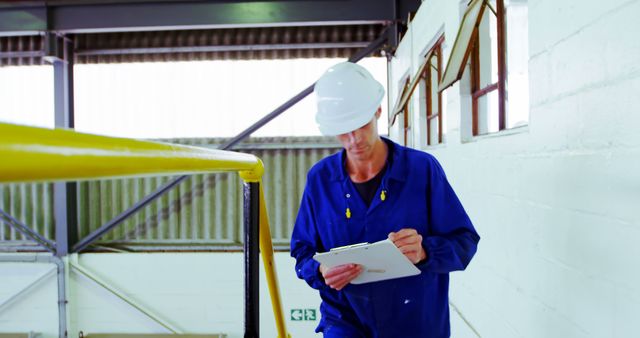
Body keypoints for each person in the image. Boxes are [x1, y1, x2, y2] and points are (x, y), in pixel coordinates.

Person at [290, 61, 480, 338]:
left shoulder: (422, 170)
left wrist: (425, 250)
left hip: (414, 323)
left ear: (378, 110)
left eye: (361, 125)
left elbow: (464, 242)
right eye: (343, 130)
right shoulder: (320, 179)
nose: (354, 139)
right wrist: (319, 270)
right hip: (345, 321)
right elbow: (302, 251)